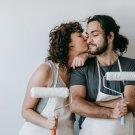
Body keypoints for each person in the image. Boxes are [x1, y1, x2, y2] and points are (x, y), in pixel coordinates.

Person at [18, 21, 89, 135]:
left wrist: (85, 55)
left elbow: (102, 51)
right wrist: (46, 122)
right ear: (70, 45)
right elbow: (25, 111)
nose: (86, 37)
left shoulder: (80, 71)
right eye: (80, 36)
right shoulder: (46, 70)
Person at [69, 15, 135, 135]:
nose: (89, 40)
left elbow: (131, 102)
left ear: (110, 36)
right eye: (87, 35)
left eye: (95, 35)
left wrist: (92, 104)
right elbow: (75, 104)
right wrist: (111, 112)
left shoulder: (131, 65)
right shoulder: (81, 68)